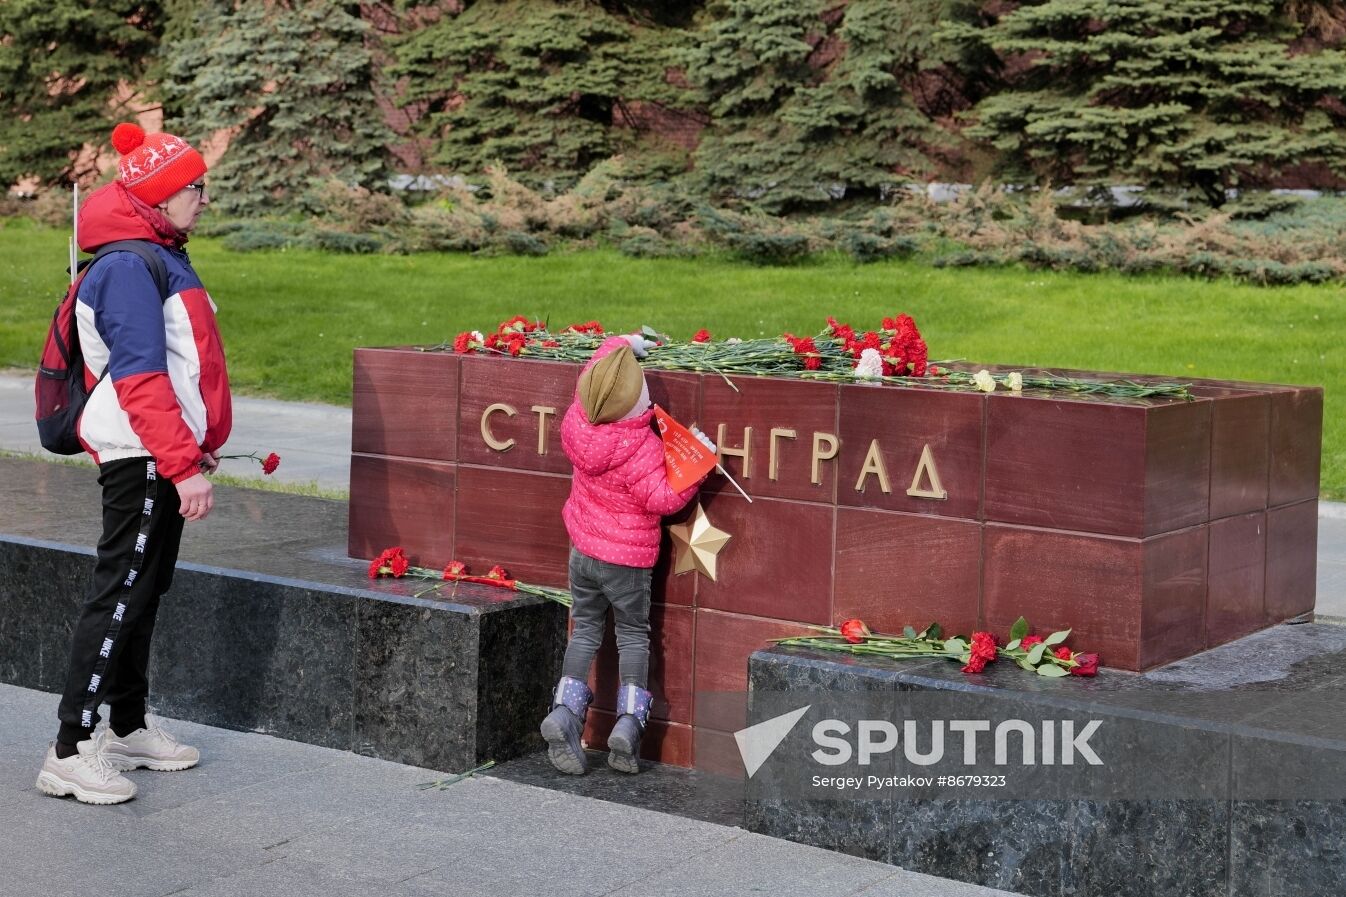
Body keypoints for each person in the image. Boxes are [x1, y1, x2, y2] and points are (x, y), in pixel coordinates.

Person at [34, 123, 231, 805]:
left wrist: (193, 444)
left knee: (142, 591)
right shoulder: (127, 266)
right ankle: (69, 748)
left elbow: (179, 369)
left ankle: (125, 725)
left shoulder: (156, 254)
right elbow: (140, 378)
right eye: (196, 187)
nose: (204, 198)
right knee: (119, 591)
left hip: (160, 450)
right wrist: (181, 465)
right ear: (162, 195)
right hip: (142, 455)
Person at [541, 335, 713, 774]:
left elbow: (598, 369)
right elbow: (663, 499)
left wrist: (624, 343)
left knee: (585, 630)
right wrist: (697, 465)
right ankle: (629, 725)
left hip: (583, 551)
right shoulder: (642, 447)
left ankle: (565, 713)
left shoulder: (579, 416)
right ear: (637, 405)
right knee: (633, 636)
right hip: (626, 562)